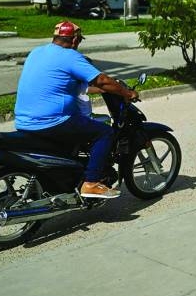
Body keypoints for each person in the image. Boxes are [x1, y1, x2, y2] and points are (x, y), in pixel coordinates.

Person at [14, 21, 139, 199]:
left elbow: (61, 84)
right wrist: (126, 92)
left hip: (23, 121)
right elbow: (101, 80)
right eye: (79, 40)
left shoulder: (37, 52)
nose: (78, 44)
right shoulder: (70, 56)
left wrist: (102, 89)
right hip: (52, 122)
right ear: (74, 40)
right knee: (104, 132)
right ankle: (91, 182)